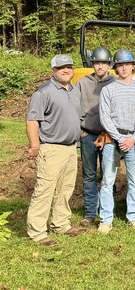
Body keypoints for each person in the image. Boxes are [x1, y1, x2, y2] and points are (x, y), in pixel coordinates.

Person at [25, 54, 88, 245]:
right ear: (53, 71)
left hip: (70, 149)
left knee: (65, 188)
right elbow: (32, 121)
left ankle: (60, 224)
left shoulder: (74, 90)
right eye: (61, 68)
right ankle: (37, 232)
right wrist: (35, 146)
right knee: (45, 190)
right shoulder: (43, 92)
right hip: (51, 148)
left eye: (69, 67)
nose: (66, 70)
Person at [97, 49, 135, 233]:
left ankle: (133, 216)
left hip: (134, 142)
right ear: (115, 68)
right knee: (108, 180)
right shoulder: (108, 90)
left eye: (127, 64)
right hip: (113, 142)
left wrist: (133, 138)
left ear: (133, 66)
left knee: (133, 180)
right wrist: (119, 138)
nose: (124, 68)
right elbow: (105, 117)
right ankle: (106, 219)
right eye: (120, 65)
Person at [75, 47, 117, 227]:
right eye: (97, 63)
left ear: (109, 65)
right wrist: (80, 130)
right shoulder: (82, 83)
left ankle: (109, 210)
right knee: (89, 175)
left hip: (108, 137)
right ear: (93, 64)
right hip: (88, 135)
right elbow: (74, 108)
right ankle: (90, 212)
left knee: (109, 175)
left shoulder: (115, 83)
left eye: (104, 63)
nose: (100, 66)